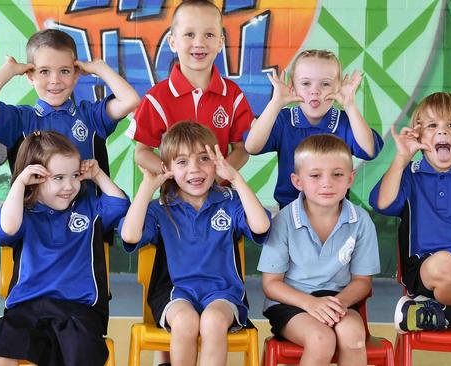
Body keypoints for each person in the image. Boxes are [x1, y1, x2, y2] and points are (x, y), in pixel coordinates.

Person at [0, 131, 129, 366]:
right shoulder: (20, 213)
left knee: (76, 350)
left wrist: (98, 175)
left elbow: (120, 205)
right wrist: (19, 183)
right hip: (27, 308)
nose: (70, 186)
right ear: (36, 177)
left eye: (75, 175)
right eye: (58, 177)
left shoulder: (89, 208)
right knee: (0, 351)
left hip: (79, 309)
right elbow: (4, 230)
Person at [120, 122, 270, 366]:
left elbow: (261, 226)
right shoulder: (160, 208)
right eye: (182, 162)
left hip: (224, 294)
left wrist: (235, 178)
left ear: (217, 161)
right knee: (185, 321)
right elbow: (130, 235)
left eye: (203, 158)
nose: (195, 169)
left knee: (212, 321)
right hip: (176, 293)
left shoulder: (229, 201)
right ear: (167, 168)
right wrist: (147, 188)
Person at [370, 92, 451, 333]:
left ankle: (441, 315)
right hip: (429, 268)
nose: (442, 132)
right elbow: (382, 204)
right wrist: (401, 158)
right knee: (446, 265)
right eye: (431, 125)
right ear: (418, 135)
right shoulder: (410, 174)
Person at [258, 134, 380, 366]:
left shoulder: (361, 221)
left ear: (350, 179)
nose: (327, 183)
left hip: (337, 301)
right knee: (322, 339)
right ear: (297, 181)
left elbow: (362, 281)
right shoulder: (283, 221)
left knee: (354, 337)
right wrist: (310, 304)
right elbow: (271, 284)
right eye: (315, 175)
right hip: (291, 304)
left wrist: (339, 304)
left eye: (337, 175)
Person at [0, 28, 140, 170]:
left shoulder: (91, 116)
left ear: (76, 74)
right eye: (44, 71)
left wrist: (100, 68)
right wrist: (9, 70)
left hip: (89, 210)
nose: (55, 80)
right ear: (30, 76)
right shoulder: (20, 120)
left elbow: (130, 100)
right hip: (31, 211)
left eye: (64, 71)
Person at [127, 0, 254, 175]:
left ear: (220, 42)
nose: (199, 42)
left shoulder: (233, 95)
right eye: (189, 34)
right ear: (172, 42)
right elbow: (142, 153)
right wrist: (176, 176)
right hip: (174, 198)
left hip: (220, 196)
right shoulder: (156, 98)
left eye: (209, 35)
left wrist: (214, 178)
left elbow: (242, 150)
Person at [244, 49, 383, 207]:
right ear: (293, 86)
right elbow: (251, 147)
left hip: (335, 212)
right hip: (290, 210)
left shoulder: (346, 121)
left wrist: (350, 105)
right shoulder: (283, 119)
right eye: (305, 83)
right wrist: (275, 103)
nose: (315, 91)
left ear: (338, 87)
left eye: (325, 84)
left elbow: (370, 151)